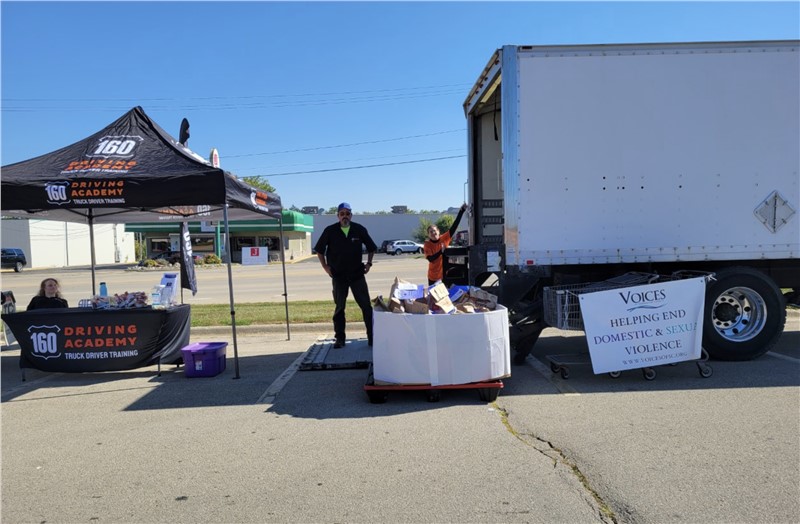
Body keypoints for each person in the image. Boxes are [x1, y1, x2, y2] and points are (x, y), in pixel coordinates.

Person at [315, 202, 378, 348]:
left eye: (347, 213)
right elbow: (319, 250)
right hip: (338, 276)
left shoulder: (359, 229)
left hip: (357, 275)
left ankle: (372, 337)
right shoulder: (330, 231)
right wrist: (325, 266)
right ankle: (340, 338)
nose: (345, 216)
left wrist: (369, 263)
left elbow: (371, 248)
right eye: (342, 213)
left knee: (366, 307)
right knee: (339, 308)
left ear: (351, 215)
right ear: (338, 216)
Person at [424, 203, 468, 285]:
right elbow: (431, 259)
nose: (433, 233)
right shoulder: (427, 244)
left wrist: (461, 211)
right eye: (431, 232)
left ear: (438, 231)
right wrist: (441, 251)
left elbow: (454, 226)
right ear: (428, 235)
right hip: (433, 276)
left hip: (445, 274)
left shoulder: (444, 238)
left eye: (434, 230)